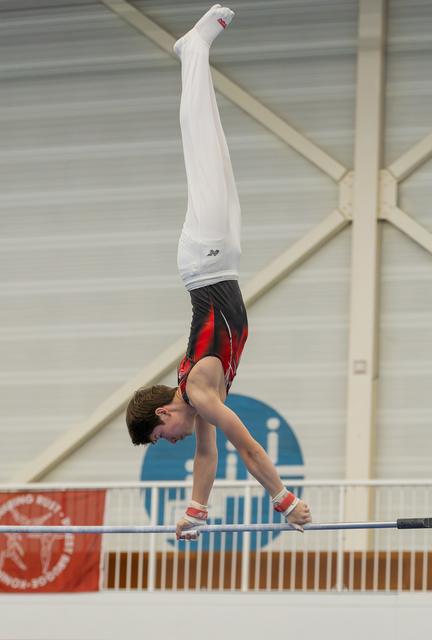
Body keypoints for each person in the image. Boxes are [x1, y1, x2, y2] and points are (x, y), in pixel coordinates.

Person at [126, 4, 312, 538]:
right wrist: (193, 512)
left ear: (165, 413)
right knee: (219, 151)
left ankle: (194, 49)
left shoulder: (202, 393)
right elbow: (207, 460)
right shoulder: (199, 404)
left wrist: (284, 502)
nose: (177, 443)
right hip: (222, 260)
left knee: (201, 144)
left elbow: (248, 447)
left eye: (166, 438)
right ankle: (196, 54)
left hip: (204, 261)